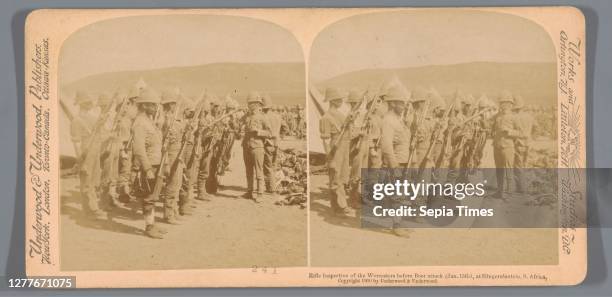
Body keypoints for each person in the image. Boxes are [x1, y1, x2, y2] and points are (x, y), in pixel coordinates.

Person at [131, 88, 166, 239]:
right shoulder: (140, 123)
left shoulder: (149, 121)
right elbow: (138, 149)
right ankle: (149, 227)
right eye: (152, 105)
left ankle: (152, 223)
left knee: (153, 196)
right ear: (144, 105)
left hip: (156, 164)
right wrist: (147, 169)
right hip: (149, 166)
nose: (155, 107)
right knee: (148, 197)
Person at [379, 81, 412, 237]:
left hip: (404, 161)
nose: (403, 106)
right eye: (400, 103)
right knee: (396, 194)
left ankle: (397, 221)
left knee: (400, 193)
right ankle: (396, 225)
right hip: (396, 163)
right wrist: (394, 165)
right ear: (392, 103)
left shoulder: (398, 119)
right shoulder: (388, 121)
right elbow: (386, 146)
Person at [71, 91, 106, 219]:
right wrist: (80, 160)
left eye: (90, 102)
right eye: (88, 102)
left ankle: (92, 207)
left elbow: (100, 134)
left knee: (94, 180)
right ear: (82, 104)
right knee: (86, 181)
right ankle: (89, 210)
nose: (91, 104)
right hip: (86, 154)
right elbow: (76, 142)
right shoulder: (77, 120)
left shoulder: (93, 118)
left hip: (95, 152)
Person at [319, 88, 353, 217]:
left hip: (344, 148)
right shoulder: (325, 118)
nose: (341, 101)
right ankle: (339, 206)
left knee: (343, 176)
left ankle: (339, 205)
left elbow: (348, 132)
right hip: (335, 149)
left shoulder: (340, 115)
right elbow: (326, 140)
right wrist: (330, 158)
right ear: (332, 101)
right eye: (339, 99)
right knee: (335, 177)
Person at [159, 89, 185, 225]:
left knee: (178, 182)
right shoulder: (163, 120)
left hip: (178, 152)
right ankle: (168, 213)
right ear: (169, 105)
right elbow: (162, 142)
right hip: (169, 153)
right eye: (173, 103)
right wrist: (167, 161)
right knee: (172, 183)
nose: (175, 106)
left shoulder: (176, 118)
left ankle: (174, 209)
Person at [242, 91, 272, 202]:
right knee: (248, 171)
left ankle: (260, 193)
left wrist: (258, 131)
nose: (249, 105)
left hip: (258, 146)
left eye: (251, 103)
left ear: (256, 103)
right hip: (247, 146)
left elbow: (269, 133)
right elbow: (239, 125)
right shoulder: (247, 117)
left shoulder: (263, 117)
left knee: (259, 171)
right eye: (249, 103)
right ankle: (249, 191)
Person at [492, 91, 520, 198]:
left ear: (509, 104)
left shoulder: (514, 117)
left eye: (503, 102)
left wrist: (509, 131)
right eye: (501, 103)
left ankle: (509, 193)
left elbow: (520, 133)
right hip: (497, 146)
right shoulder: (497, 117)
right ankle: (500, 191)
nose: (501, 104)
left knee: (508, 169)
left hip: (508, 146)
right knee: (498, 169)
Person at [512, 94, 534, 193]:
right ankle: (523, 186)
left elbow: (513, 131)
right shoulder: (529, 117)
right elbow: (536, 128)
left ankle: (521, 188)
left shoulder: (514, 118)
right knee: (525, 165)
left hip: (519, 143)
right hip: (528, 143)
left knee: (518, 166)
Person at [262, 94, 282, 194]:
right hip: (276, 143)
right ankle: (274, 186)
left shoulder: (264, 117)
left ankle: (271, 188)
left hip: (268, 143)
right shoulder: (278, 116)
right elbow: (285, 128)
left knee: (267, 167)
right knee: (273, 166)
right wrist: (278, 135)